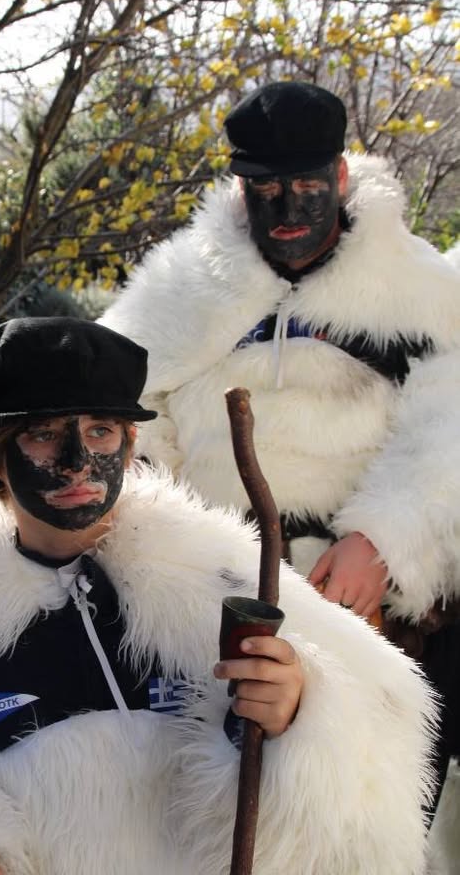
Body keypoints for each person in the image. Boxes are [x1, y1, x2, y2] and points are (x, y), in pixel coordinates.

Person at [0, 316, 436, 875]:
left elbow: (377, 734)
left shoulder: (220, 576)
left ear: (131, 443)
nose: (76, 462)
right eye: (42, 434)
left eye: (100, 431)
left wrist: (299, 715)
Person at [100, 81, 460, 817]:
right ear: (239, 189)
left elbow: (446, 425)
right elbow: (119, 410)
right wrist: (169, 534)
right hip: (210, 593)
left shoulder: (421, 289)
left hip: (358, 598)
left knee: (361, 813)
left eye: (306, 187)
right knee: (211, 813)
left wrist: (382, 540)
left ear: (340, 177)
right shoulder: (182, 283)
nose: (287, 210)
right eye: (264, 190)